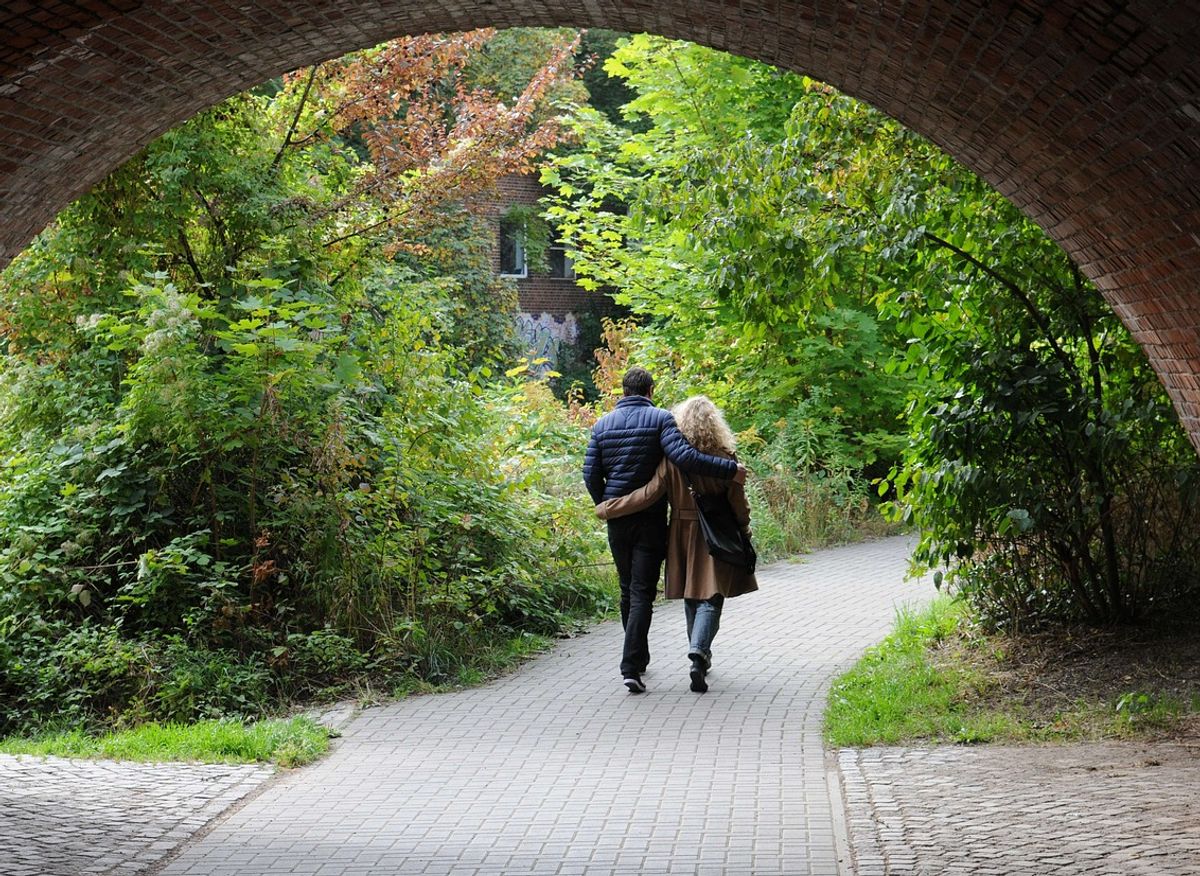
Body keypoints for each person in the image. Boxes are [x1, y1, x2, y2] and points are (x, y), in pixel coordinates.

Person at [584, 368, 746, 694]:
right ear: (651, 390)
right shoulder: (660, 419)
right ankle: (644, 662)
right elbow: (685, 457)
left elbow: (591, 473)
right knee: (646, 592)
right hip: (655, 521)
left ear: (623, 390)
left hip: (626, 519)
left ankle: (637, 661)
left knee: (628, 589)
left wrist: (607, 503)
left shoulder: (601, 425)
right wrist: (731, 469)